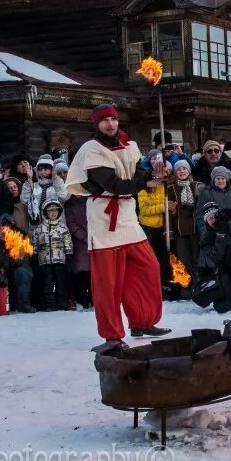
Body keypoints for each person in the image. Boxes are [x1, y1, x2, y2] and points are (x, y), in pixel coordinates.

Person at [65, 103, 167, 352]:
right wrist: (145, 184)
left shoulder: (129, 145)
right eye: (104, 120)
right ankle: (112, 334)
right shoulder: (92, 150)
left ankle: (142, 320)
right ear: (97, 124)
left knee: (148, 267)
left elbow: (137, 172)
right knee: (108, 281)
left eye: (113, 119)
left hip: (127, 215)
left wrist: (150, 176)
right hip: (104, 217)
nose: (110, 124)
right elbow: (112, 184)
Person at [135, 150, 172, 292]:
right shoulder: (145, 186)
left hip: (163, 227)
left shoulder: (166, 185)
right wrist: (164, 207)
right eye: (157, 170)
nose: (160, 174)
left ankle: (164, 284)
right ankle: (149, 286)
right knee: (151, 259)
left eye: (162, 171)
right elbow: (144, 209)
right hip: (148, 227)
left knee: (164, 258)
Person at [32, 199, 73, 311]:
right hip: (45, 261)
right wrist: (34, 256)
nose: (53, 213)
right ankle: (49, 304)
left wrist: (69, 257)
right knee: (47, 283)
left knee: (61, 283)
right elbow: (34, 244)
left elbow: (68, 243)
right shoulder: (39, 229)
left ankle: (62, 303)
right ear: (45, 213)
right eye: (50, 211)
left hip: (60, 260)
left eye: (56, 210)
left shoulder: (63, 228)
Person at [168, 160, 200, 282]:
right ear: (175, 173)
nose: (182, 171)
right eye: (179, 169)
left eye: (184, 169)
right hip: (179, 228)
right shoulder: (171, 189)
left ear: (189, 171)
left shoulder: (197, 186)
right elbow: (169, 212)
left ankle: (198, 282)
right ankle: (186, 284)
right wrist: (170, 230)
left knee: (197, 255)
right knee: (183, 258)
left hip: (195, 228)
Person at [64, 191, 91, 310]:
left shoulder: (89, 200)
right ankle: (81, 300)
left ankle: (93, 299)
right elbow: (70, 223)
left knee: (92, 273)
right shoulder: (70, 203)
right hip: (78, 242)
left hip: (93, 239)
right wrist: (83, 236)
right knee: (80, 272)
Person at [26, 154, 68, 224]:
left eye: (46, 169)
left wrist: (55, 178)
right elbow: (25, 200)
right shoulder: (34, 186)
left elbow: (64, 197)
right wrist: (29, 179)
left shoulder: (58, 184)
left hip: (57, 225)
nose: (42, 172)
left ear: (52, 170)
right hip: (38, 226)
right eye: (40, 169)